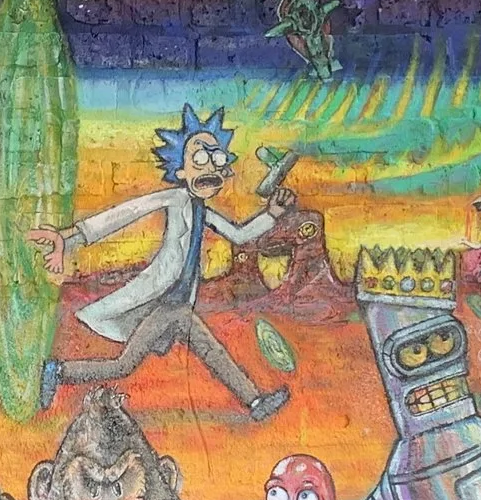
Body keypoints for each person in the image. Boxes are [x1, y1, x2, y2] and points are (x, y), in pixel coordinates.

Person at [30, 104, 293, 420]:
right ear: (181, 171)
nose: (211, 165)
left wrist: (272, 214)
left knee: (134, 362)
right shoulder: (175, 199)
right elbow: (124, 214)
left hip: (175, 307)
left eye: (218, 159)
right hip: (166, 306)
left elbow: (239, 235)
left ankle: (59, 371)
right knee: (132, 363)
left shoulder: (203, 211)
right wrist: (70, 237)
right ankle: (253, 401)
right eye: (200, 158)